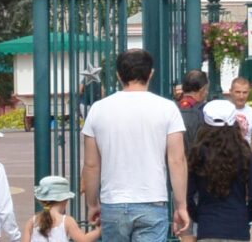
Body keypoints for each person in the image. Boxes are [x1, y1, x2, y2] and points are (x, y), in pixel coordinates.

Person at [80, 49, 190, 241]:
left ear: (118, 75)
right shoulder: (167, 108)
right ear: (151, 74)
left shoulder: (98, 109)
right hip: (152, 199)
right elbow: (177, 160)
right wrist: (181, 205)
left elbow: (91, 165)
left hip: (113, 200)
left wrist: (92, 203)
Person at [191, 99, 252, 242]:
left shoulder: (198, 153)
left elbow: (188, 194)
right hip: (237, 225)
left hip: (208, 225)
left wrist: (199, 215)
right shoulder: (244, 152)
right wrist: (246, 215)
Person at [27, 175, 100, 242]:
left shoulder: (32, 222)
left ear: (41, 201)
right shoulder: (67, 221)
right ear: (64, 200)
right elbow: (83, 240)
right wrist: (99, 230)